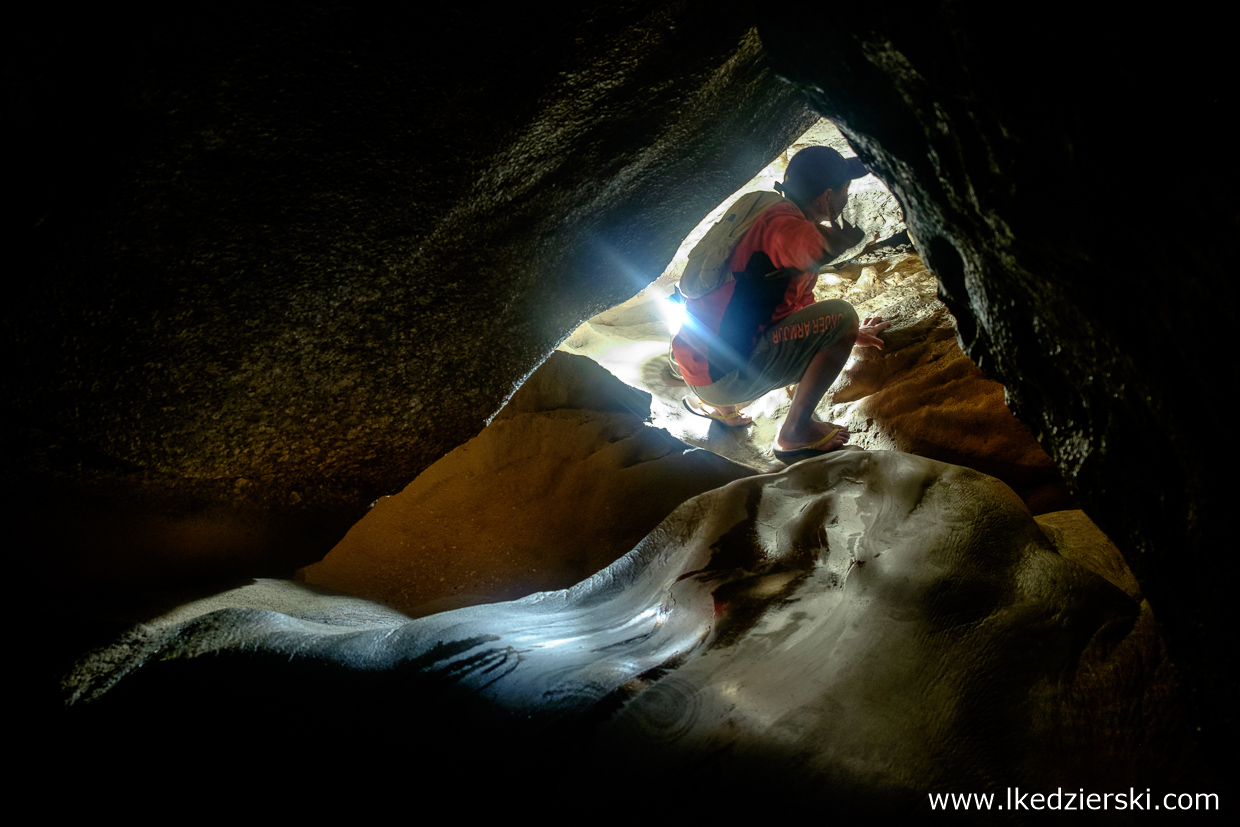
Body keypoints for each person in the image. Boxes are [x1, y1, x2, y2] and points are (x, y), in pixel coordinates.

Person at [671, 145, 889, 459]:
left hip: (691, 360)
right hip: (724, 376)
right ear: (828, 197)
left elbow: (791, 301)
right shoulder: (787, 225)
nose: (846, 198)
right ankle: (794, 432)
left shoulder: (759, 205)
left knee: (732, 313)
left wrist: (842, 333)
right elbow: (798, 245)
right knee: (842, 314)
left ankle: (721, 410)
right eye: (845, 190)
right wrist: (832, 246)